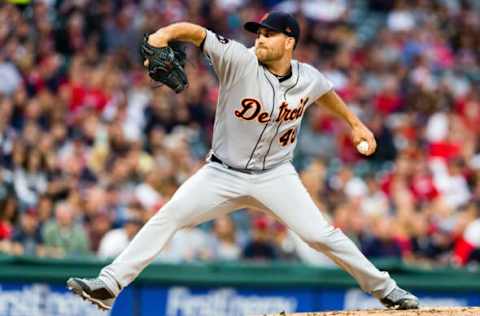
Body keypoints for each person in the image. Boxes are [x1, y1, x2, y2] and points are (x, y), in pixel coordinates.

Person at [67, 12, 419, 311]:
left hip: (276, 175)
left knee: (321, 235)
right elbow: (195, 32)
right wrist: (163, 34)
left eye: (269, 35)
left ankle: (387, 290)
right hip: (222, 173)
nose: (260, 40)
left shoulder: (307, 77)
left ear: (289, 42)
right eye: (259, 34)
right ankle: (109, 286)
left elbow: (325, 91)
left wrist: (355, 123)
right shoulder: (237, 58)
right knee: (169, 215)